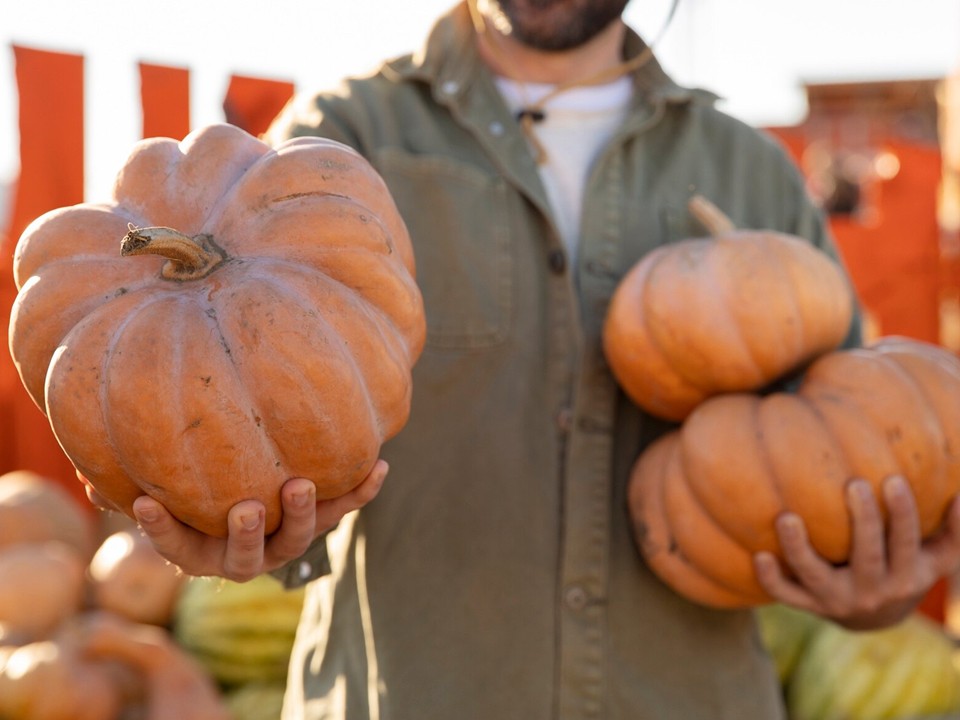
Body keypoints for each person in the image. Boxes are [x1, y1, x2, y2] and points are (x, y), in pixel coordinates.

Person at [123, 1, 960, 718]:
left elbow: (844, 443)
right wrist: (250, 528)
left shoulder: (752, 178)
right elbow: (253, 423)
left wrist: (870, 588)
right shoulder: (340, 144)